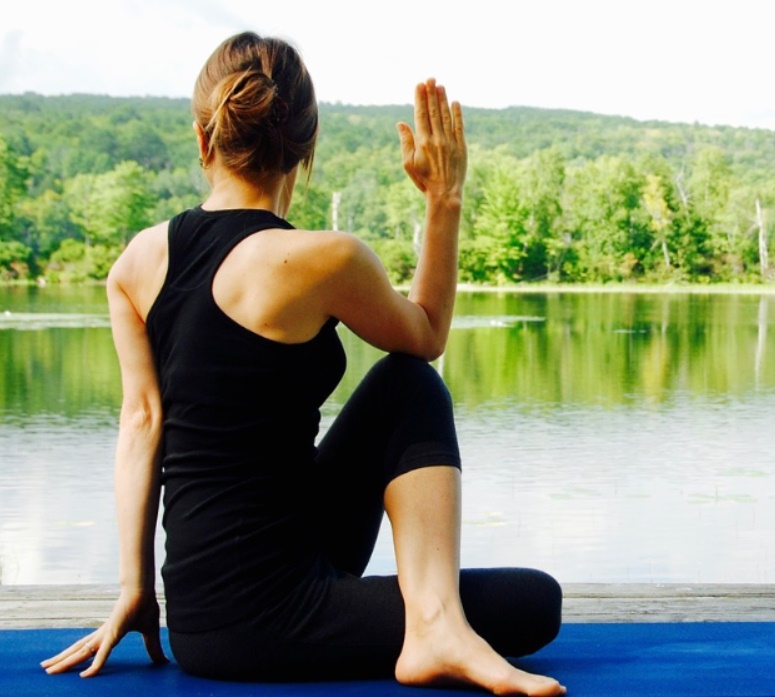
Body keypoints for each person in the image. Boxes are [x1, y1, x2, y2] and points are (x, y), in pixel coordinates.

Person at [41, 31, 566, 696]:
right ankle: (435, 624)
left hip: (200, 620)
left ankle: (434, 622)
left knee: (403, 385)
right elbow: (427, 333)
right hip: (266, 622)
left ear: (203, 139)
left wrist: (136, 587)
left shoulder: (135, 263)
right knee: (531, 598)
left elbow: (141, 425)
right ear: (306, 146)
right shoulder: (325, 259)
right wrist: (444, 198)